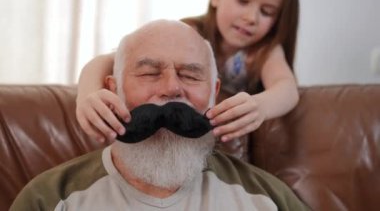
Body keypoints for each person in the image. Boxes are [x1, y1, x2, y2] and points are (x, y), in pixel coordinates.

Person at [10, 20, 309, 211]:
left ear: (214, 93)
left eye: (190, 75)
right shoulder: (48, 199)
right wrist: (86, 93)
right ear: (114, 89)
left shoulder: (268, 199)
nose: (171, 89)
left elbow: (285, 89)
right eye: (150, 72)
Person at [76, 0, 300, 143]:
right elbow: (108, 60)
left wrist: (260, 106)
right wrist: (87, 95)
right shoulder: (189, 32)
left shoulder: (266, 52)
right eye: (243, 1)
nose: (251, 18)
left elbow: (287, 88)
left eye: (267, 11)